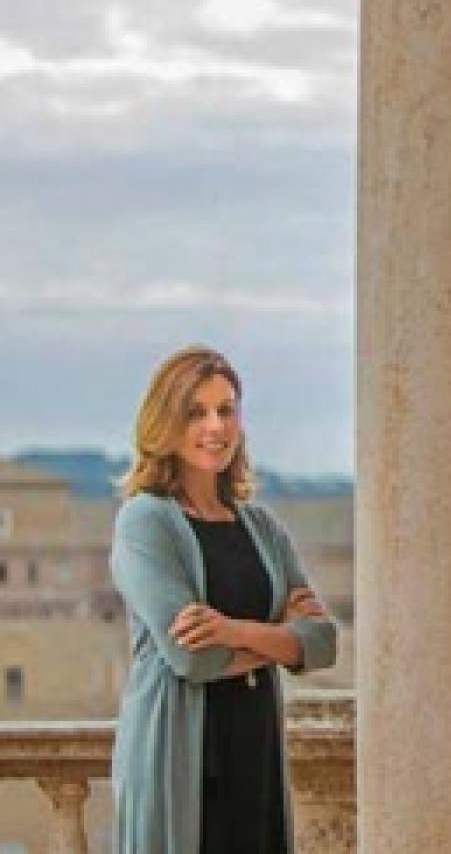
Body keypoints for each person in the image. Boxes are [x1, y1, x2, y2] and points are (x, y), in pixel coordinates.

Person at [109, 345, 338, 854]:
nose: (215, 426)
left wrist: (232, 632)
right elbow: (192, 657)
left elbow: (322, 642)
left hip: (254, 744)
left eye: (226, 409)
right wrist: (283, 641)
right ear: (164, 423)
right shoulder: (145, 521)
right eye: (196, 412)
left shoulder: (260, 526)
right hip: (178, 750)